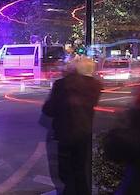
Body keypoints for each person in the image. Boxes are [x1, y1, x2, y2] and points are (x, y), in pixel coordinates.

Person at [40, 56, 101, 195]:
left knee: (65, 173)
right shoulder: (95, 85)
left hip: (65, 133)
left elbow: (48, 109)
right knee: (80, 170)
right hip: (84, 132)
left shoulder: (62, 84)